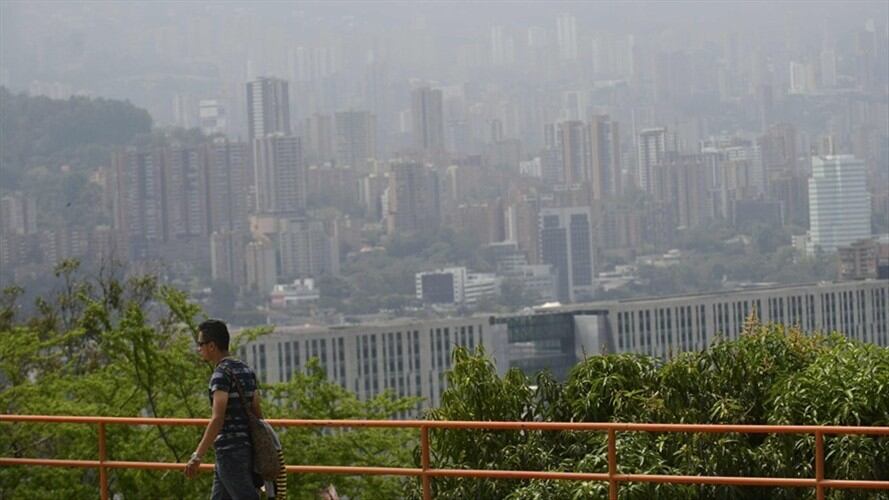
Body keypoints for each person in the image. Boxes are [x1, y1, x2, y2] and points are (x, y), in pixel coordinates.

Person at [185, 319, 261, 500]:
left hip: (230, 451)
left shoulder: (220, 375)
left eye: (200, 344)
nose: (198, 349)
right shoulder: (246, 370)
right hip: (245, 448)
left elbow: (217, 418)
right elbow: (257, 412)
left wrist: (197, 456)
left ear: (212, 346)